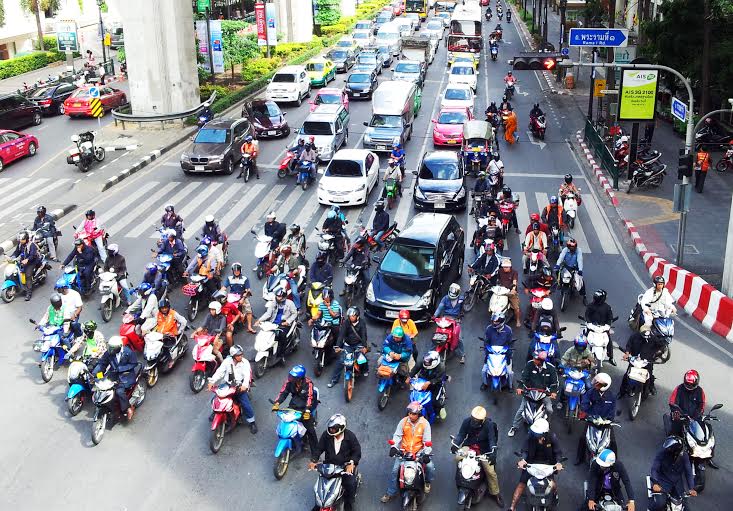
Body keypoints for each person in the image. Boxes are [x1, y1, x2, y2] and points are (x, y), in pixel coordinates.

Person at [380, 401, 435, 503]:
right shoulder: (403, 422)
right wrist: (394, 446)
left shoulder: (425, 424)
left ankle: (427, 481)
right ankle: (390, 492)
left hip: (419, 453)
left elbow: (427, 441)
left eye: (413, 414)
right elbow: (397, 436)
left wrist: (426, 453)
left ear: (419, 414)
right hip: (404, 453)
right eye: (409, 413)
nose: (411, 415)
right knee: (394, 471)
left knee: (430, 466)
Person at [309, 414, 362, 511]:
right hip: (329, 466)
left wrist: (351, 463)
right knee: (320, 488)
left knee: (350, 484)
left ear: (341, 428)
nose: (332, 430)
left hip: (344, 467)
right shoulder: (326, 435)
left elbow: (357, 451)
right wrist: (314, 460)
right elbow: (319, 448)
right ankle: (319, 505)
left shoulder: (350, 436)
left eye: (334, 429)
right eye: (331, 428)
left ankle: (348, 505)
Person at [452, 406, 504, 507]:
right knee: (457, 458)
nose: (474, 421)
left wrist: (493, 452)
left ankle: (495, 493)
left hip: (483, 450)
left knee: (490, 472)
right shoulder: (467, 421)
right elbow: (461, 435)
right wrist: (455, 445)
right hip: (470, 446)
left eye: (477, 420)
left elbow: (492, 440)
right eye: (473, 419)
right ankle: (462, 479)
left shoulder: (489, 425)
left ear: (482, 420)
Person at [507, 418, 563, 511]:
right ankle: (512, 507)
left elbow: (558, 452)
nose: (536, 436)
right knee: (521, 484)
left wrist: (558, 463)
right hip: (531, 463)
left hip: (547, 464)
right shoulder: (530, 436)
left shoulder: (552, 437)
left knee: (552, 484)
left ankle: (555, 495)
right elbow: (525, 450)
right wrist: (523, 460)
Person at [208, 344, 258, 433]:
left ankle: (252, 422)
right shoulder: (227, 362)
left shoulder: (245, 363)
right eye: (238, 355)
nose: (241, 356)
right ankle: (216, 412)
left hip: (240, 386)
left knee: (245, 404)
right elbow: (220, 372)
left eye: (241, 354)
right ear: (233, 356)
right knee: (215, 399)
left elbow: (247, 376)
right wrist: (212, 381)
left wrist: (244, 386)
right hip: (227, 384)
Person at [508, 351, 558, 437]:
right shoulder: (529, 364)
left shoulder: (551, 368)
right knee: (521, 409)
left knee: (549, 410)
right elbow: (524, 377)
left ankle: (546, 427)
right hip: (529, 392)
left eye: (536, 359)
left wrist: (553, 392)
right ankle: (514, 427)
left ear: (541, 361)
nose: (534, 360)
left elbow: (555, 382)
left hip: (544, 394)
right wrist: (520, 387)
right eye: (534, 358)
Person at [272, 365, 318, 452]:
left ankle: (316, 453)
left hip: (307, 405)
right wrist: (277, 403)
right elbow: (283, 392)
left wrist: (307, 411)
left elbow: (310, 397)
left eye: (294, 377)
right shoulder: (289, 382)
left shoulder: (308, 383)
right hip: (294, 403)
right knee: (286, 420)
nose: (291, 378)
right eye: (291, 376)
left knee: (310, 430)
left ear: (300, 378)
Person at [93, 336, 141, 421]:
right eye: (110, 348)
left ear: (119, 347)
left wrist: (121, 368)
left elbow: (133, 364)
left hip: (126, 375)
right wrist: (96, 373)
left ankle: (128, 408)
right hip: (113, 374)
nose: (111, 350)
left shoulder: (128, 352)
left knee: (119, 392)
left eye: (113, 348)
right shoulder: (109, 353)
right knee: (101, 385)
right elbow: (102, 363)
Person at [576, 373, 617, 465]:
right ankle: (579, 458)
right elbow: (584, 404)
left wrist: (609, 420)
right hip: (592, 419)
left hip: (605, 422)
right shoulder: (591, 392)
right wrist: (587, 414)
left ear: (604, 386)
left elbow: (612, 410)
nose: (595, 385)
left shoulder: (612, 396)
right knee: (583, 438)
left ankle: (615, 461)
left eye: (598, 384)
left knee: (612, 442)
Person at [649, 436, 697, 510]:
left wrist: (691, 488)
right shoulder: (663, 452)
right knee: (660, 504)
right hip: (663, 480)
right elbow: (654, 468)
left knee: (686, 508)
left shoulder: (684, 455)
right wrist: (655, 483)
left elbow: (688, 472)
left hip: (677, 483)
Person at [619, 325, 664, 397]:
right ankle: (622, 392)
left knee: (649, 376)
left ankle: (650, 388)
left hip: (647, 361)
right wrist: (627, 354)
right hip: (635, 360)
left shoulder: (654, 338)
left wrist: (658, 353)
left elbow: (661, 347)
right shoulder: (634, 336)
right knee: (627, 375)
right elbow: (629, 346)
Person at [329, 306, 369, 386]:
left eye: (353, 316)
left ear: (357, 316)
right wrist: (338, 346)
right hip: (348, 345)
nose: (351, 318)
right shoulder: (346, 323)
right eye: (350, 316)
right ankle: (334, 380)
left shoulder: (362, 323)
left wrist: (364, 347)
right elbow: (341, 335)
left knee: (362, 359)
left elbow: (364, 335)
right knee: (341, 361)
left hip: (358, 344)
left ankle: (365, 370)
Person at [255, 288, 298, 356]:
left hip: (283, 324)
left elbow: (294, 313)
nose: (278, 298)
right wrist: (259, 320)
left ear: (284, 297)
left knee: (282, 336)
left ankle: (281, 354)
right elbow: (268, 313)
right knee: (264, 334)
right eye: (277, 296)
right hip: (273, 323)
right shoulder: (273, 303)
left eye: (279, 296)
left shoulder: (290, 303)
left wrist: (287, 322)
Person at [557, 334, 594, 408]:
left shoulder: (588, 352)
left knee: (589, 386)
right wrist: (561, 366)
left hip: (583, 371)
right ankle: (561, 401)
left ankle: (587, 401)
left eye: (582, 346)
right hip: (571, 370)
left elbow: (592, 362)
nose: (580, 348)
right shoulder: (570, 350)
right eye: (579, 346)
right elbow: (564, 359)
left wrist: (591, 368)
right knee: (565, 385)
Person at [667, 370, 706, 437]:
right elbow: (672, 402)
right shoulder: (679, 388)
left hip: (695, 417)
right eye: (688, 384)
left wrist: (696, 415)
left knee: (702, 433)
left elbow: (701, 404)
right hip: (681, 416)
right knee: (674, 435)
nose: (689, 386)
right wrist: (678, 412)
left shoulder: (700, 391)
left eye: (691, 384)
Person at [434, 283, 466, 364]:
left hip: (455, 319)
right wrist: (434, 316)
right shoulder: (445, 298)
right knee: (436, 335)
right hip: (445, 319)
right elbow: (440, 307)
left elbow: (463, 309)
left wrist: (460, 316)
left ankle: (462, 355)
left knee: (459, 338)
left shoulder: (461, 299)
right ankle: (431, 352)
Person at [409, 351, 447, 419]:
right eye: (425, 362)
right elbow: (416, 368)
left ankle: (439, 409)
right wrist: (409, 377)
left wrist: (429, 382)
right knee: (415, 396)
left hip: (436, 384)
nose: (426, 363)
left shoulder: (441, 367)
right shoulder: (423, 362)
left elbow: (439, 379)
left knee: (434, 401)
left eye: (428, 363)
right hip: (422, 381)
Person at [481, 313, 515, 390]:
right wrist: (486, 348)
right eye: (493, 321)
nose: (494, 323)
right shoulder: (489, 328)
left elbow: (510, 342)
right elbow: (486, 341)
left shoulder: (508, 330)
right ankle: (485, 383)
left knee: (509, 372)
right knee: (484, 371)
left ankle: (510, 385)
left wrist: (509, 350)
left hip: (504, 353)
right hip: (491, 352)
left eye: (496, 322)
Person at [221, 262, 255, 333]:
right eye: (235, 271)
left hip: (242, 296)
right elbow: (223, 288)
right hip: (232, 297)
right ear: (232, 271)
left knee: (248, 310)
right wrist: (220, 293)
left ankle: (249, 326)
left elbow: (248, 290)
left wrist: (243, 298)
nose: (236, 272)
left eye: (238, 270)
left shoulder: (245, 279)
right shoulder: (229, 278)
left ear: (240, 270)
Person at [584, 289, 616, 364]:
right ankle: (580, 354)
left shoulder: (607, 308)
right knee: (583, 339)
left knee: (609, 341)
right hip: (592, 327)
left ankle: (611, 357)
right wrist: (589, 323)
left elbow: (610, 318)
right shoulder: (590, 306)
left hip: (603, 328)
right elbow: (587, 315)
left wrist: (608, 325)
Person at [12, 231, 41, 300]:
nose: (21, 241)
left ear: (26, 239)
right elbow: (16, 252)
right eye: (20, 240)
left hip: (32, 262)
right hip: (23, 261)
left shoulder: (31, 245)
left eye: (22, 240)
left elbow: (33, 255)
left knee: (28, 276)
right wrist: (12, 257)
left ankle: (29, 293)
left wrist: (27, 260)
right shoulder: (20, 244)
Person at [555, 238, 586, 302]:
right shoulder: (565, 250)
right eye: (571, 247)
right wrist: (557, 265)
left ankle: (584, 296)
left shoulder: (578, 251)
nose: (572, 248)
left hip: (575, 268)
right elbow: (561, 257)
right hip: (566, 266)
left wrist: (580, 270)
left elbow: (580, 260)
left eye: (573, 247)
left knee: (581, 282)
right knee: (557, 271)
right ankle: (559, 283)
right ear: (568, 246)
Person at [273, 244, 303, 309]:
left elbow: (296, 270)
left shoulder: (294, 259)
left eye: (283, 253)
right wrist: (270, 270)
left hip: (292, 278)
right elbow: (277, 266)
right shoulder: (283, 258)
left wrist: (292, 274)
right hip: (283, 275)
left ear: (286, 253)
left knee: (294, 292)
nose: (281, 254)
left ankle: (298, 307)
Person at [495, 258, 521, 327]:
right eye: (504, 267)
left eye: (506, 267)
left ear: (510, 267)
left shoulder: (514, 272)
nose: (505, 268)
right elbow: (498, 280)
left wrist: (513, 289)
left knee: (516, 308)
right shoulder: (500, 271)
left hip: (510, 292)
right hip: (501, 291)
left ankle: (518, 320)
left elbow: (514, 281)